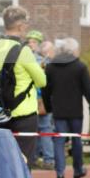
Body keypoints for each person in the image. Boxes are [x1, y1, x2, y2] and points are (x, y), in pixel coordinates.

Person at [0, 6, 47, 166]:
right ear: (21, 26)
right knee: (23, 160)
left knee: (0, 159)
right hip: (23, 111)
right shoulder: (25, 51)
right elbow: (42, 81)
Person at [43, 38, 90, 178]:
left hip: (58, 110)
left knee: (59, 140)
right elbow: (88, 90)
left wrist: (48, 107)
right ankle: (78, 169)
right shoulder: (80, 67)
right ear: (73, 50)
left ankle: (60, 172)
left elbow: (46, 90)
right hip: (76, 111)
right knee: (76, 140)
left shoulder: (51, 67)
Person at [36, 40, 56, 169]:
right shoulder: (47, 64)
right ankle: (48, 159)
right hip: (43, 100)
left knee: (36, 130)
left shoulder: (35, 62)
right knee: (46, 129)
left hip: (34, 100)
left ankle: (35, 157)